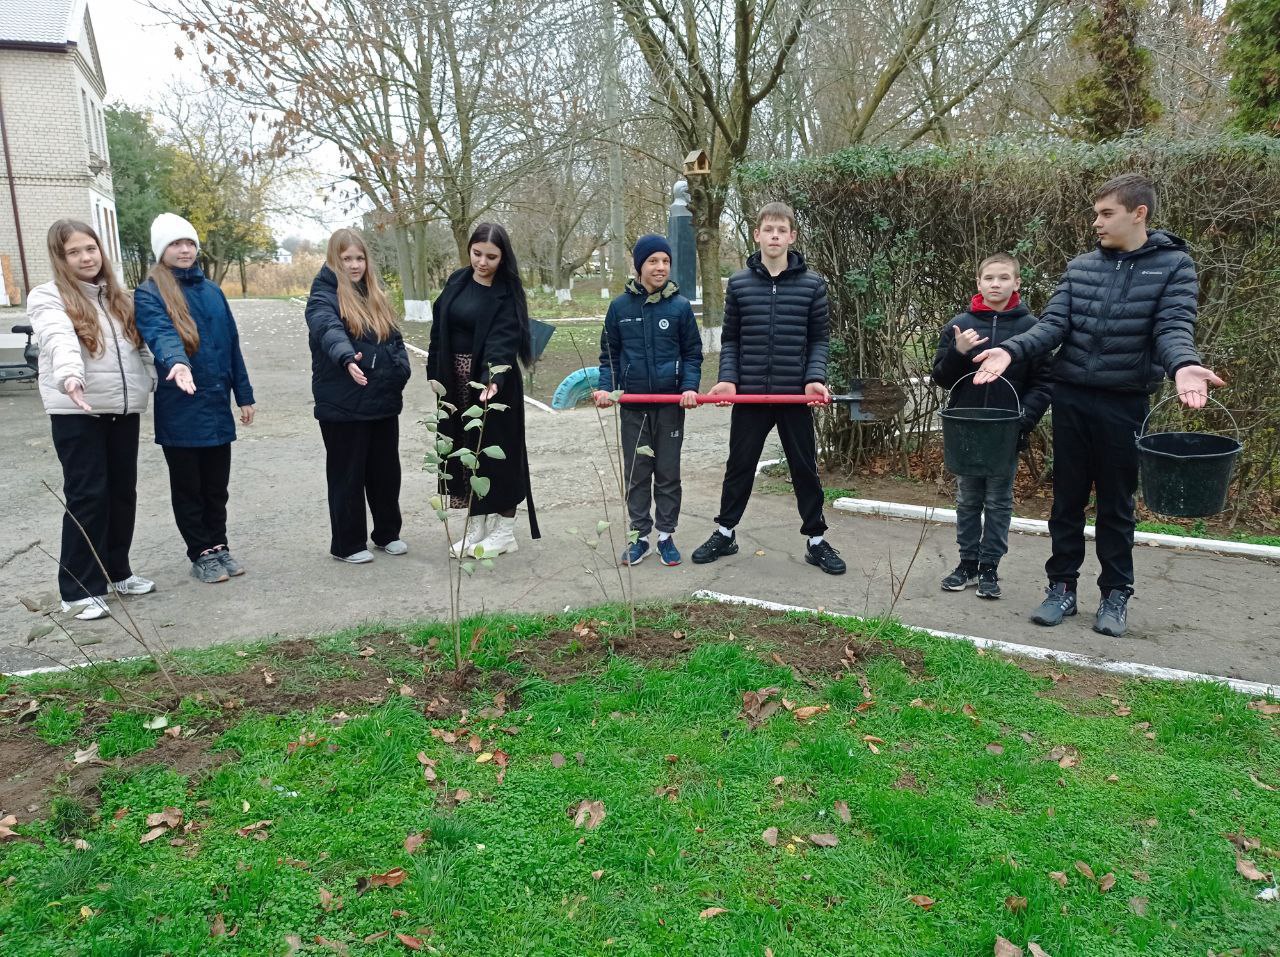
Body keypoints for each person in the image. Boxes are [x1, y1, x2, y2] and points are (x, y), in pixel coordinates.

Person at [973, 173, 1224, 637]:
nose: (1097, 222)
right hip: (1070, 399)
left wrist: (1184, 365)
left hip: (1123, 403)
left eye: (1106, 214)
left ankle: (1115, 595)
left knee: (1115, 504)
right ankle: (1061, 588)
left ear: (1138, 213)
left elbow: (1173, 328)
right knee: (1065, 500)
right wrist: (1012, 350)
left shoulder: (1174, 267)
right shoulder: (1082, 266)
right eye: (1096, 214)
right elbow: (1053, 326)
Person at [691, 201, 846, 575]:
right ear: (757, 235)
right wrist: (728, 379)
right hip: (751, 396)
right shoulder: (740, 284)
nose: (775, 236)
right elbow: (730, 340)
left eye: (782, 230)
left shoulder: (812, 284)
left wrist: (814, 379)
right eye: (768, 230)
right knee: (739, 466)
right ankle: (725, 532)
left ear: (792, 236)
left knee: (804, 468)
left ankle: (816, 540)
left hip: (794, 396)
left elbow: (818, 341)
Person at [28, 220, 158, 620]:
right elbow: (58, 339)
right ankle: (78, 589)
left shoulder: (119, 297)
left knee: (122, 492)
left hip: (121, 409)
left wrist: (150, 380)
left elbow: (141, 348)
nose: (85, 258)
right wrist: (71, 376)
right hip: (77, 410)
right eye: (74, 252)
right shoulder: (48, 297)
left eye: (90, 249)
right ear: (60, 258)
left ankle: (116, 571)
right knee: (88, 495)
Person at [134, 213, 257, 584]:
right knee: (189, 487)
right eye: (175, 244)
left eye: (189, 243)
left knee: (216, 486)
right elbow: (160, 334)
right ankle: (200, 551)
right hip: (181, 406)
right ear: (162, 250)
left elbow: (232, 345)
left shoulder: (213, 291)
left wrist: (244, 395)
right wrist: (177, 364)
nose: (184, 249)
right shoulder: (150, 292)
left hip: (217, 405)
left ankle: (219, 545)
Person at [931, 252, 1052, 599]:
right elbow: (942, 378)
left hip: (1005, 432)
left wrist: (1021, 421)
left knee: (998, 502)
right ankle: (967, 563)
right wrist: (958, 351)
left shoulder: (1032, 328)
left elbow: (1043, 383)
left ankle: (990, 568)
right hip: (966, 431)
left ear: (1017, 283)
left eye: (1003, 278)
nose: (995, 284)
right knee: (967, 499)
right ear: (978, 283)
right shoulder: (961, 324)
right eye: (989, 278)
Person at [426, 222, 539, 557]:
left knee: (498, 458)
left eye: (491, 256)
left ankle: (504, 533)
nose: (482, 262)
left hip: (493, 389)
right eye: (477, 253)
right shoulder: (458, 281)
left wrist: (493, 378)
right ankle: (477, 528)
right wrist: (435, 371)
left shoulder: (505, 292)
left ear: (503, 257)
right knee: (464, 452)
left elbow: (503, 341)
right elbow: (438, 328)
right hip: (454, 382)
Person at [593, 234, 702, 566]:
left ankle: (666, 535)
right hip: (634, 409)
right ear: (639, 266)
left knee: (668, 473)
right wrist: (606, 388)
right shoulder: (620, 308)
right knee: (637, 473)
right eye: (653, 261)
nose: (660, 267)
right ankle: (639, 536)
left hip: (670, 407)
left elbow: (693, 354)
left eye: (665, 261)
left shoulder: (680, 307)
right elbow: (609, 357)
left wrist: (689, 387)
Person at [305, 228, 412, 564]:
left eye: (359, 258)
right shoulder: (323, 294)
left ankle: (387, 533)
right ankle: (348, 544)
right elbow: (327, 328)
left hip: (381, 401)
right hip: (343, 404)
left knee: (385, 473)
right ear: (333, 259)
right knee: (347, 476)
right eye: (346, 258)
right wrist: (346, 356)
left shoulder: (376, 295)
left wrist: (400, 372)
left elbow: (395, 342)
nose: (354, 265)